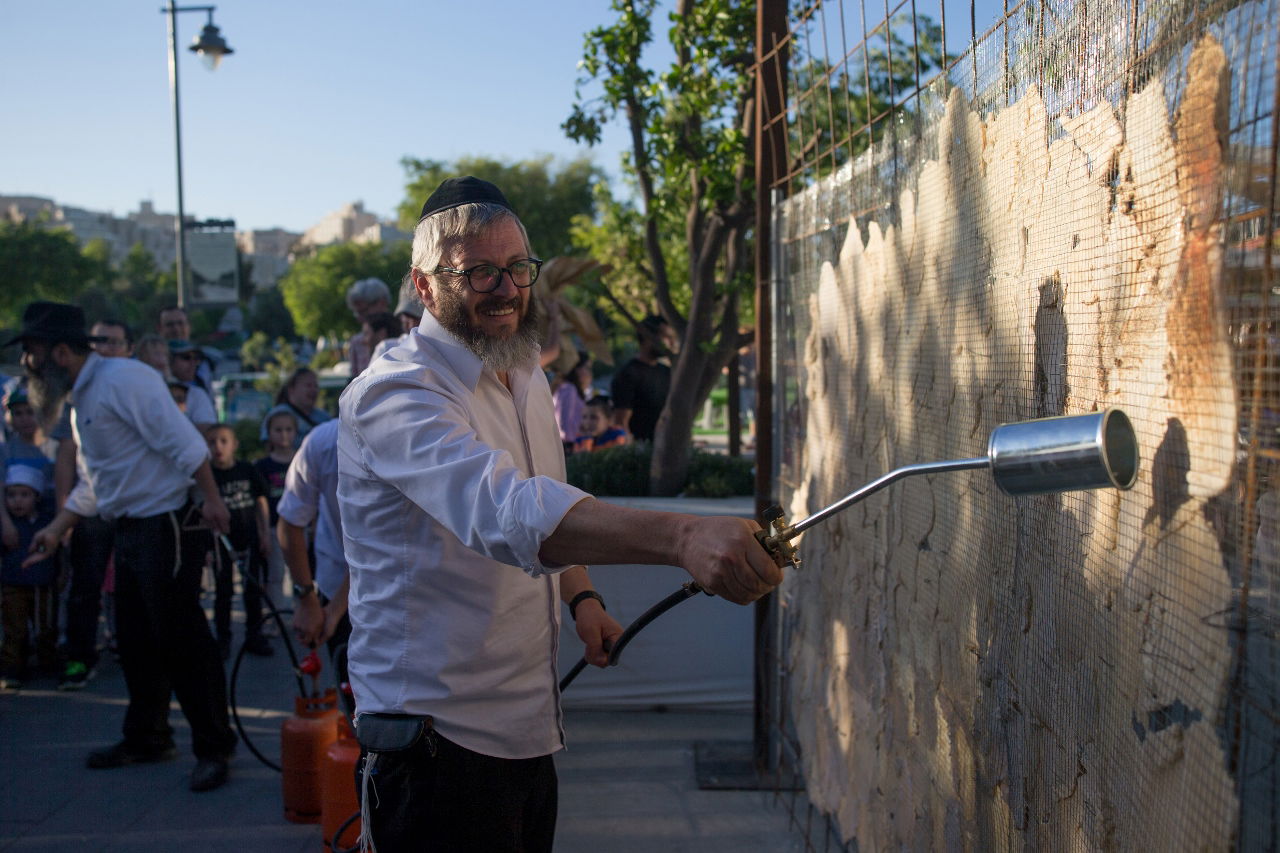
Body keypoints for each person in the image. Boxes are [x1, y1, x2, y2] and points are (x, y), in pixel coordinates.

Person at [338, 176, 783, 852]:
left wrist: (583, 597)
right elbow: (507, 511)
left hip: (527, 732)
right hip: (434, 747)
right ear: (424, 286)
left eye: (518, 267)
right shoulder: (395, 392)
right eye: (480, 271)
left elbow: (544, 493)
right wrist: (685, 536)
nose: (507, 288)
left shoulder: (524, 371)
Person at [12, 301, 238, 793]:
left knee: (182, 640)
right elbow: (98, 482)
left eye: (32, 352)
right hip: (131, 528)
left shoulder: (124, 380)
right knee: (136, 640)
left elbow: (186, 444)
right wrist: (58, 528)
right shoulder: (83, 397)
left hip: (165, 522)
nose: (27, 363)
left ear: (62, 353)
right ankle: (148, 737)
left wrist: (213, 500)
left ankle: (214, 746)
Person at [56, 318, 133, 691]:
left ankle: (134, 652)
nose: (107, 348)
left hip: (134, 508)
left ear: (128, 350)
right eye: (100, 341)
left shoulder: (137, 386)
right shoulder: (79, 393)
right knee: (85, 586)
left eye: (115, 342)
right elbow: (68, 457)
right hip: (91, 508)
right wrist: (62, 518)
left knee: (134, 589)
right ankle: (78, 656)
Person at [276, 419, 351, 707]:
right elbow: (290, 522)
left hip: (397, 591)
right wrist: (307, 599)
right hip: (339, 581)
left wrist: (328, 608)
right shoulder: (323, 441)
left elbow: (381, 545)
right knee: (352, 692)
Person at [205, 424, 273, 659]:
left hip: (250, 538)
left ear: (234, 445)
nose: (218, 447)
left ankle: (254, 636)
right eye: (212, 442)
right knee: (223, 592)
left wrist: (265, 534)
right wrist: (206, 547)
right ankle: (222, 639)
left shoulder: (247, 470)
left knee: (253, 590)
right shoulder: (208, 476)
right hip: (221, 542)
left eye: (223, 441)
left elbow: (261, 501)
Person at [0, 465, 57, 689]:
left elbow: (57, 552)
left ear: (37, 497)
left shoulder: (46, 522)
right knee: (14, 628)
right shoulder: (7, 527)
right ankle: (12, 667)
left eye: (24, 495)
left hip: (43, 584)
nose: (18, 501)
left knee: (46, 626)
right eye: (12, 495)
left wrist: (60, 575)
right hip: (13, 584)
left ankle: (48, 662)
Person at [610, 313, 677, 442]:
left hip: (665, 445)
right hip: (641, 447)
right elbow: (621, 421)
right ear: (648, 337)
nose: (671, 343)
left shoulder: (667, 372)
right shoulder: (628, 375)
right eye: (666, 337)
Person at [254, 409, 297, 603]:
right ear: (269, 433)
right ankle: (278, 615)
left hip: (299, 525)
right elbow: (260, 501)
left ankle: (303, 613)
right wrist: (263, 532)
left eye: (288, 429)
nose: (284, 434)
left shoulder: (302, 459)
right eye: (278, 430)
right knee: (275, 574)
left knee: (300, 573)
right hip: (273, 527)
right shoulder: (261, 465)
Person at [260, 367, 330, 447]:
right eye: (308, 385)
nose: (313, 390)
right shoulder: (278, 414)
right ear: (291, 389)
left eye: (316, 386)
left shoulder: (324, 417)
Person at [345, 278, 392, 377]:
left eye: (363, 311)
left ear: (382, 303)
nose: (359, 318)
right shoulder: (357, 342)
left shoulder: (405, 334)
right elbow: (354, 379)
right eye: (356, 312)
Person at [372, 275, 425, 361]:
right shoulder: (386, 349)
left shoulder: (442, 349)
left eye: (418, 318)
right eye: (407, 316)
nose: (412, 324)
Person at [169, 340, 217, 429]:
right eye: (186, 357)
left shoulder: (197, 393)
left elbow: (208, 428)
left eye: (196, 358)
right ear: (169, 360)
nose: (193, 363)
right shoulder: (156, 389)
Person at [552, 350, 592, 451]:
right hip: (568, 445)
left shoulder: (567, 388)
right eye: (587, 368)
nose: (590, 373)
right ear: (576, 369)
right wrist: (571, 445)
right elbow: (564, 422)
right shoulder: (569, 389)